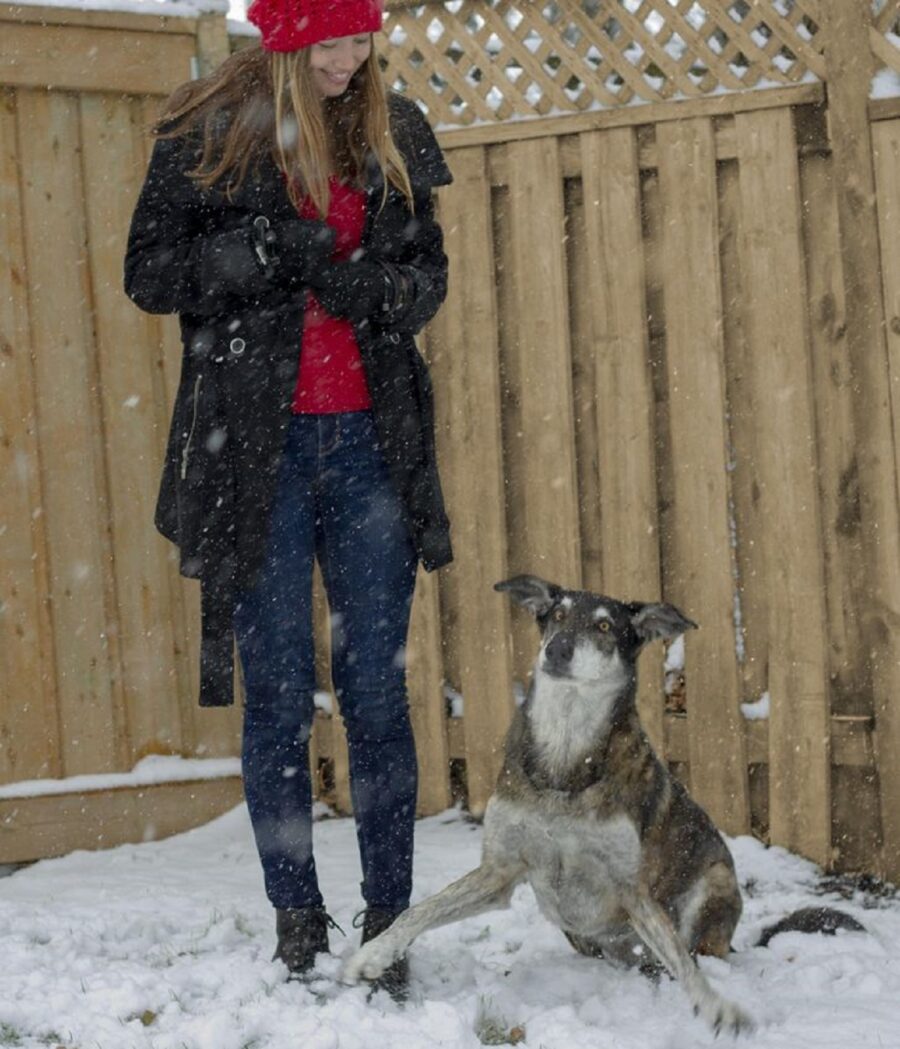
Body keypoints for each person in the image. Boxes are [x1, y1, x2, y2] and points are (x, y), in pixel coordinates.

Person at [124, 0, 453, 1000]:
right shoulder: (208, 130)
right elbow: (150, 272)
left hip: (367, 448)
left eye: (364, 37)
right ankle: (296, 915)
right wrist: (259, 256)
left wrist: (369, 291)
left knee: (375, 697)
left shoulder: (390, 131)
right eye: (333, 40)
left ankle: (389, 915)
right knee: (274, 700)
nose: (352, 58)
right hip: (250, 453)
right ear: (285, 36)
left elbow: (424, 278)